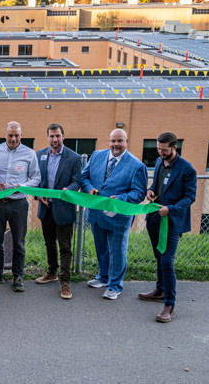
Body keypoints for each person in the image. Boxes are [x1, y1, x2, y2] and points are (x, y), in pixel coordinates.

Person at [80, 129, 147, 300]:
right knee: (101, 248)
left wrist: (120, 199)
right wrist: (89, 189)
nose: (116, 144)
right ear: (109, 141)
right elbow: (84, 177)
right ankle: (103, 277)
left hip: (119, 218)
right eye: (113, 141)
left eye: (120, 141)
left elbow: (138, 193)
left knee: (117, 251)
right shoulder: (97, 155)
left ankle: (115, 285)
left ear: (127, 142)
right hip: (96, 214)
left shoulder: (137, 166)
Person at [139, 132, 196, 322]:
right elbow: (155, 184)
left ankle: (169, 305)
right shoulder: (158, 161)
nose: (160, 153)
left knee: (167, 261)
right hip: (154, 217)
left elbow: (190, 197)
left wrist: (170, 209)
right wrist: (150, 191)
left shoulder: (187, 169)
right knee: (158, 256)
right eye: (158, 149)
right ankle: (160, 290)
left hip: (172, 221)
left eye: (164, 150)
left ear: (174, 148)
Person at [0, 121, 41, 292]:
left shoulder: (30, 154)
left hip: (19, 204)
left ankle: (18, 276)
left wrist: (23, 186)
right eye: (10, 135)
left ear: (21, 135)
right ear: (5, 134)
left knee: (19, 243)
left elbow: (36, 177)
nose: (13, 138)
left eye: (16, 135)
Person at [33, 123, 82, 300]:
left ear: (63, 136)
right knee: (49, 243)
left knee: (65, 246)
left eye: (58, 136)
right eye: (52, 136)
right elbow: (37, 179)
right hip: (46, 208)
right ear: (47, 137)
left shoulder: (74, 158)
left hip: (64, 208)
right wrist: (39, 195)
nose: (55, 139)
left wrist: (67, 190)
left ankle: (65, 281)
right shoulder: (40, 154)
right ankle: (52, 272)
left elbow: (77, 181)